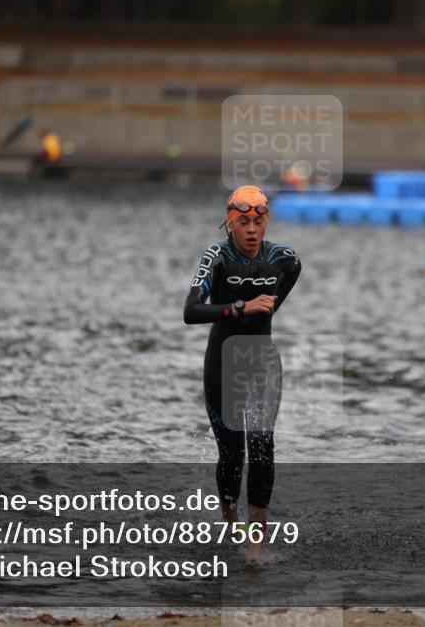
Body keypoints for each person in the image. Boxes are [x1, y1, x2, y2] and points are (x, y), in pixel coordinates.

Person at [184, 185, 301, 564]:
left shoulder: (286, 260)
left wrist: (260, 312)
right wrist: (241, 307)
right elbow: (191, 311)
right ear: (230, 223)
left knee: (264, 447)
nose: (251, 229)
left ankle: (256, 542)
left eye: (258, 221)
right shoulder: (216, 257)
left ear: (267, 221)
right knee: (233, 454)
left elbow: (272, 306)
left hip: (263, 362)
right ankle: (230, 521)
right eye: (242, 222)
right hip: (222, 365)